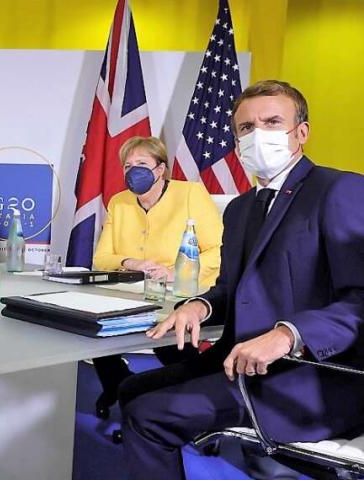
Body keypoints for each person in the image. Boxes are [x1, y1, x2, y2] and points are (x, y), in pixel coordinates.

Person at [118, 80, 364, 479]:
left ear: (301, 132)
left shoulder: (340, 190)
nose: (258, 134)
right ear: (236, 142)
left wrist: (289, 333)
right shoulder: (239, 208)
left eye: (272, 122)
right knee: (130, 390)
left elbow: (360, 300)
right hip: (238, 362)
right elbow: (232, 289)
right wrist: (200, 305)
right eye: (246, 128)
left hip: (311, 377)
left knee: (148, 416)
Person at [90, 136, 223, 418]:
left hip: (182, 292)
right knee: (95, 320)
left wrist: (177, 272)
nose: (133, 171)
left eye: (141, 163)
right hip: (136, 290)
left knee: (165, 332)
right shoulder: (119, 202)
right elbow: (102, 258)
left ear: (160, 169)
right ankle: (117, 383)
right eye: (128, 166)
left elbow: (218, 250)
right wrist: (132, 262)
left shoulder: (190, 194)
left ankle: (191, 402)